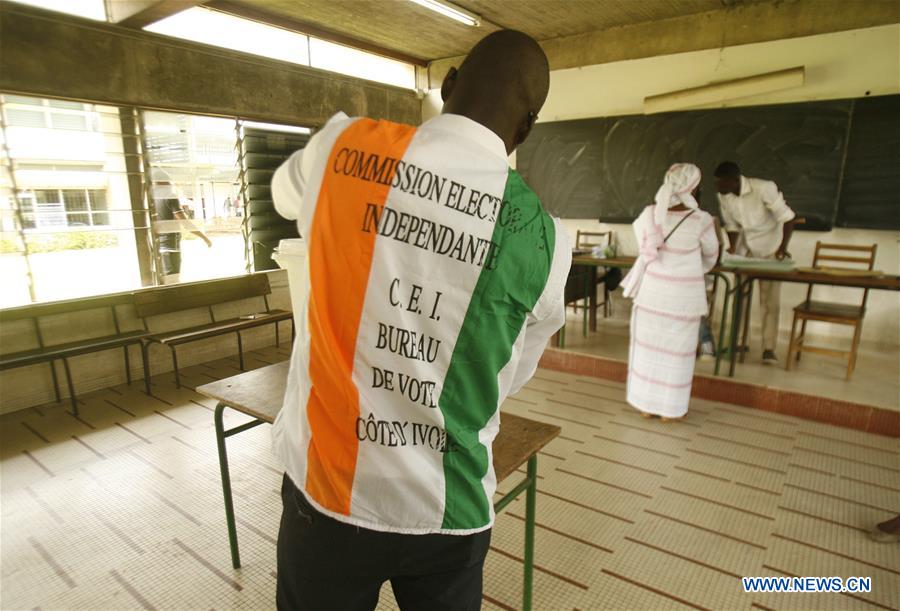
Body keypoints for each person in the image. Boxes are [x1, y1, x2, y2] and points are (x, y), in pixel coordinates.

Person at [269, 30, 570, 611]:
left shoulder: (340, 149)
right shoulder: (546, 242)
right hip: (449, 511)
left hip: (328, 498)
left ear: (448, 83)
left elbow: (287, 197)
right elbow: (510, 375)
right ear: (526, 127)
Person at [621, 164, 719, 422]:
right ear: (694, 187)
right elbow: (711, 256)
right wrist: (690, 269)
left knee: (647, 352)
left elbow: (642, 248)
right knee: (677, 355)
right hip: (684, 300)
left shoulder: (649, 214)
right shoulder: (703, 220)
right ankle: (670, 410)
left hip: (651, 295)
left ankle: (646, 405)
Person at [714, 161, 796, 365]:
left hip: (771, 248)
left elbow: (788, 218)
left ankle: (769, 348)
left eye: (722, 184)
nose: (718, 188)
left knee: (769, 301)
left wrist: (782, 248)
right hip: (746, 251)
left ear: (734, 181)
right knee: (739, 297)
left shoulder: (764, 188)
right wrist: (732, 248)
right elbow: (731, 225)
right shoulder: (724, 195)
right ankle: (740, 341)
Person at [149, 167, 212, 284]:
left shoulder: (151, 197)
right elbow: (184, 222)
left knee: (164, 280)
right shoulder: (169, 195)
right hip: (170, 245)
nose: (170, 184)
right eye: (168, 181)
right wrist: (205, 238)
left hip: (158, 244)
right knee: (173, 280)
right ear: (164, 181)